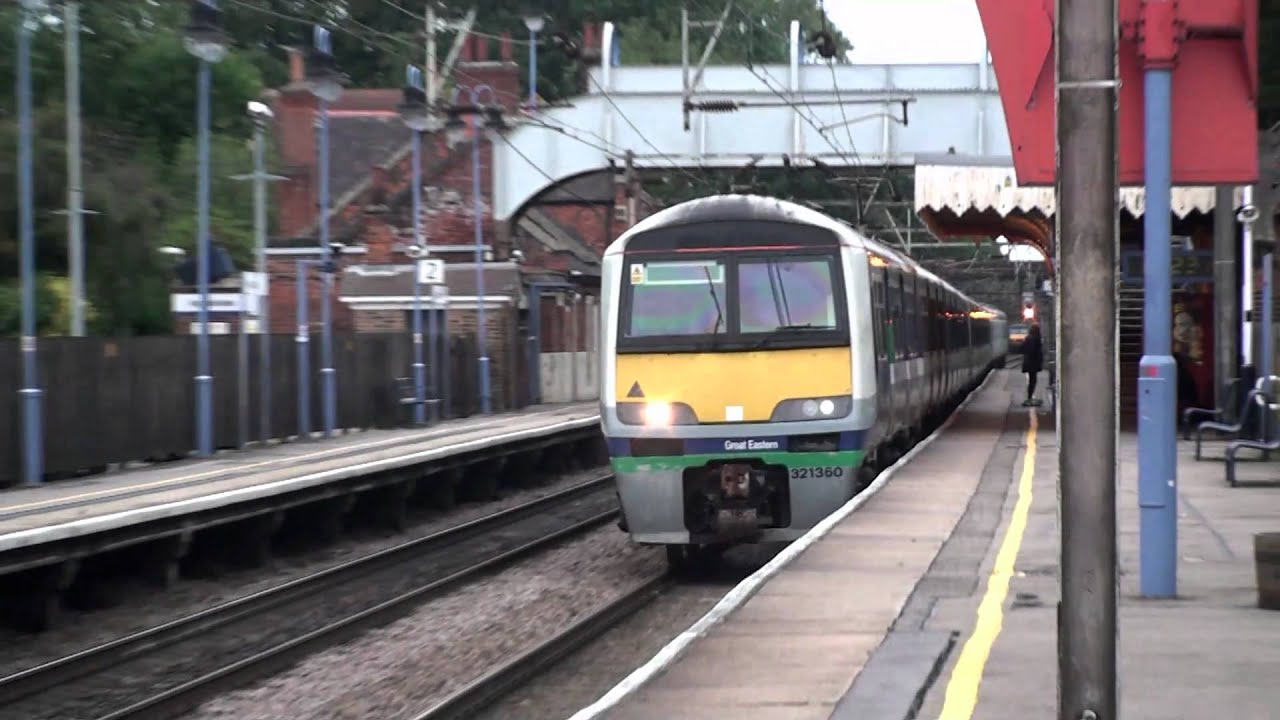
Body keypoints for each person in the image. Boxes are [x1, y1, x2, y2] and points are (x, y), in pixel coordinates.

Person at [1021, 323, 1044, 406]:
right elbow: (1035, 351)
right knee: (1032, 381)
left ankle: (1030, 397)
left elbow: (1022, 348)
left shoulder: (1028, 338)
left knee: (1032, 381)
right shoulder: (1036, 339)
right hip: (1033, 363)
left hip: (1029, 363)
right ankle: (1030, 397)